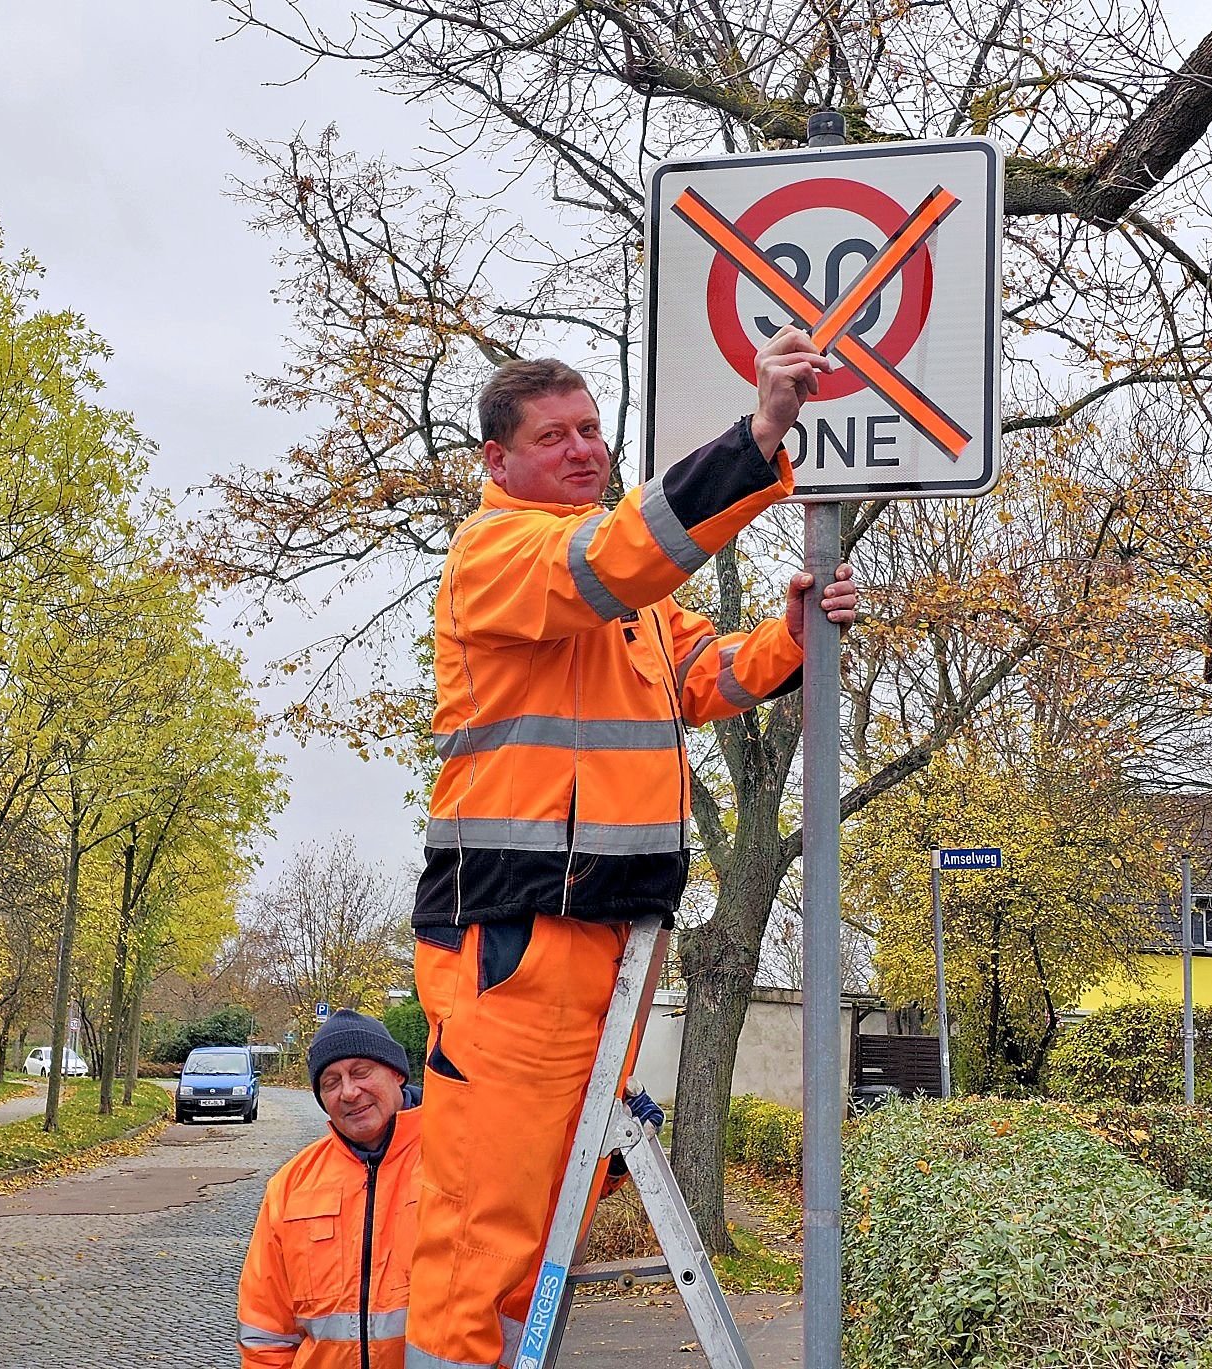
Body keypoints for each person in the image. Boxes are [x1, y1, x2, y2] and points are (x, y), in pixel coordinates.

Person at [406, 326, 858, 1369]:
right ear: (498, 462)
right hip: (514, 939)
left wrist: (792, 630)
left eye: (592, 429)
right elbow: (610, 562)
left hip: (601, 943)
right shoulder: (501, 554)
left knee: (539, 1220)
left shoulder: (627, 599)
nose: (583, 449)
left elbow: (713, 676)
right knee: (485, 1240)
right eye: (555, 436)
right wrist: (758, 437)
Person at [237, 1010, 423, 1369]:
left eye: (361, 1072)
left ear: (397, 1073)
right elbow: (266, 1332)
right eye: (331, 1082)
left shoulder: (456, 1161)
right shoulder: (291, 1186)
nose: (349, 1092)